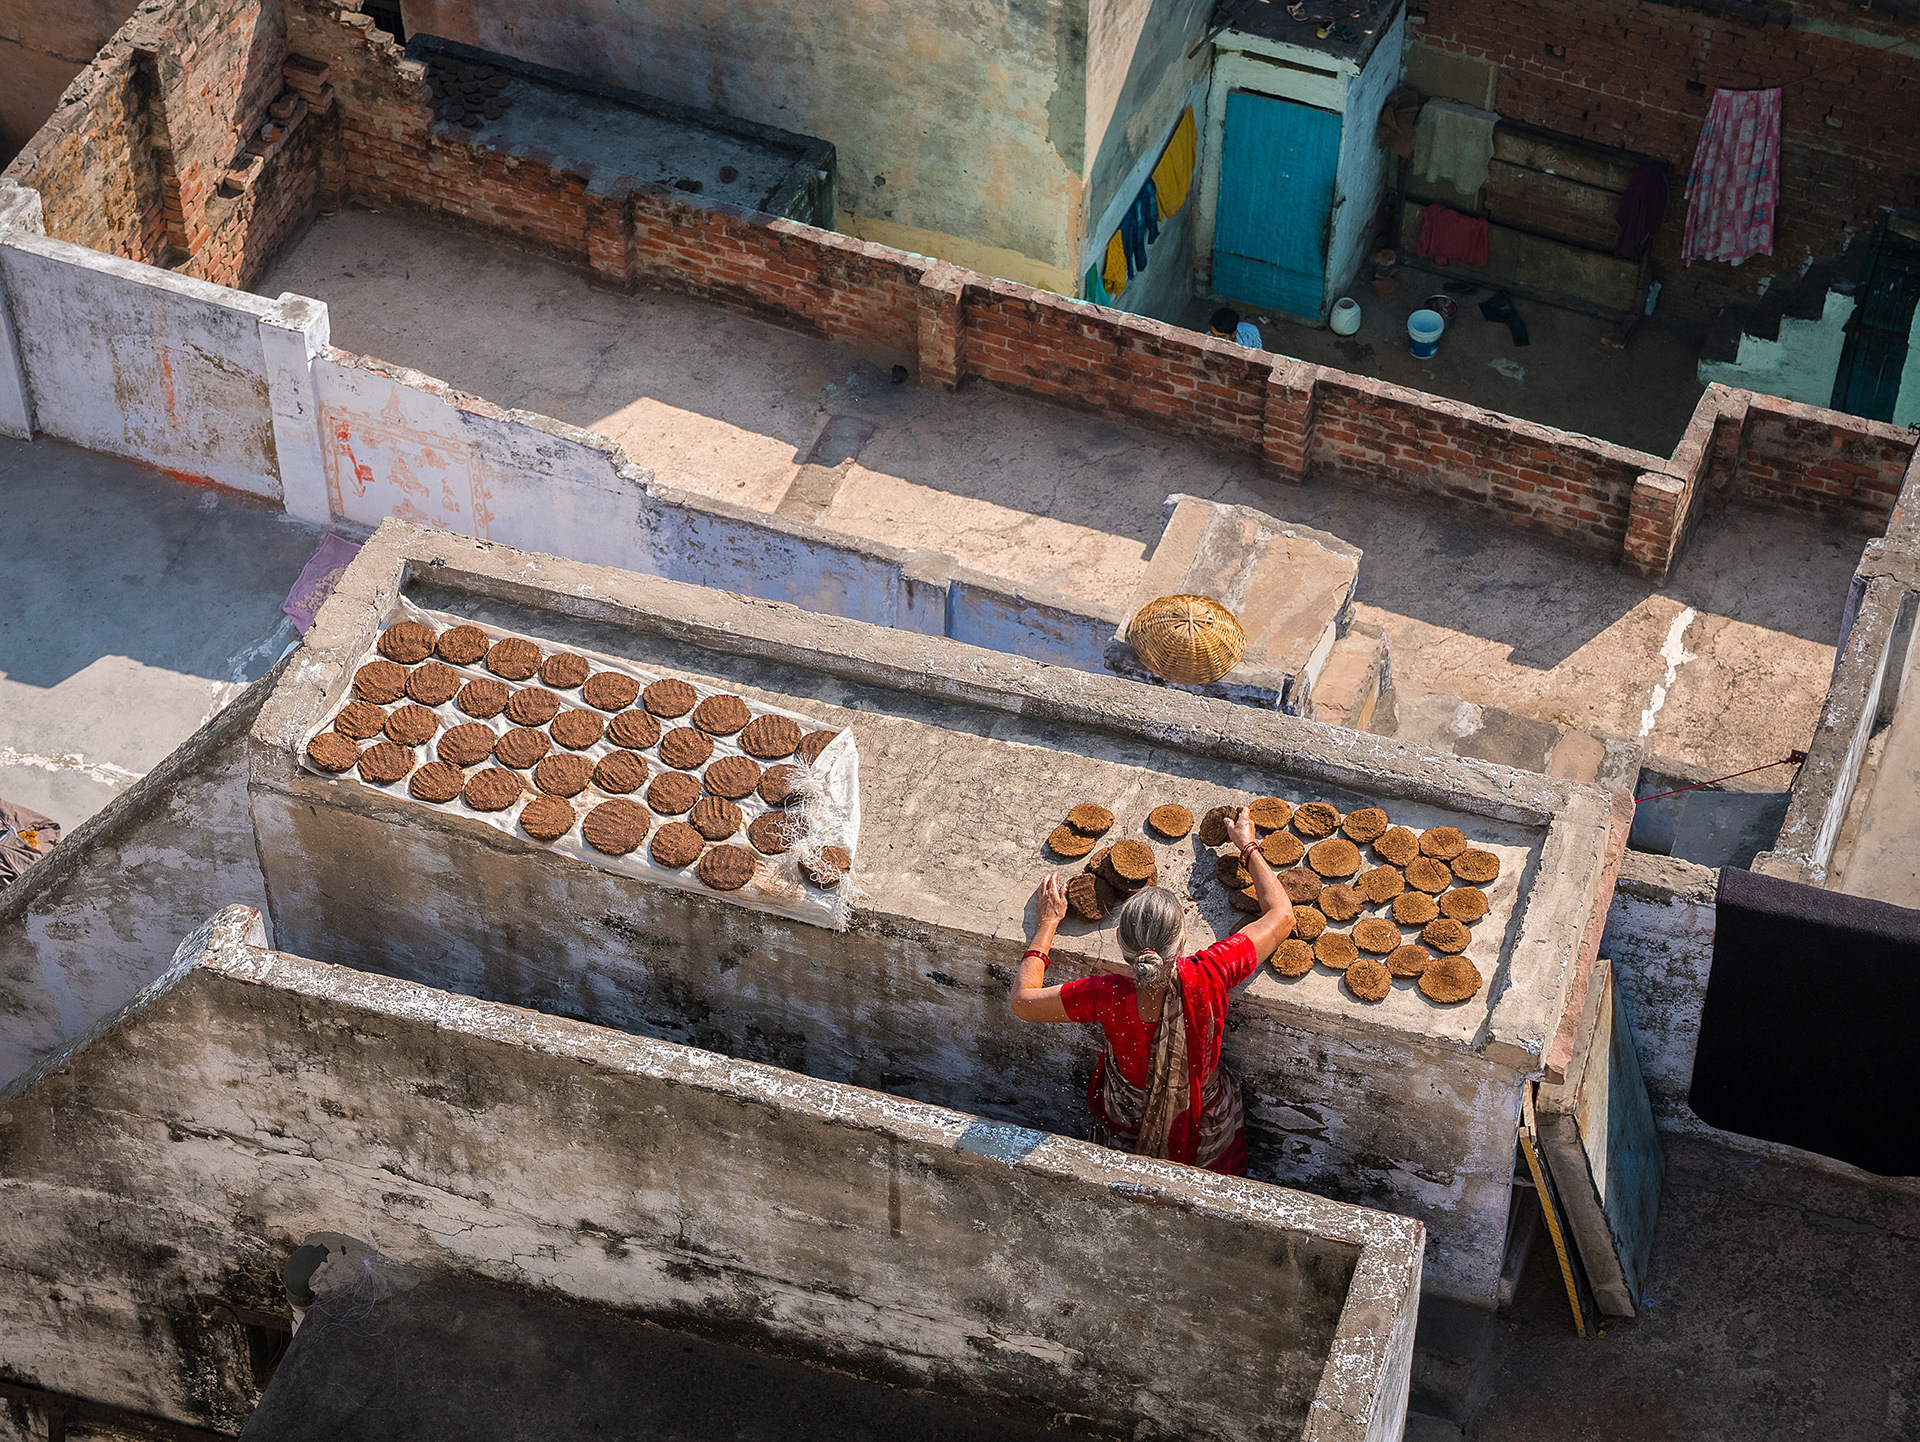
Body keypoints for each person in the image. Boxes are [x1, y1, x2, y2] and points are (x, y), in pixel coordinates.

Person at [1010, 807, 1293, 1174]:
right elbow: (1282, 915)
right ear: (1182, 943)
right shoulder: (1210, 972)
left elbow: (1022, 1002)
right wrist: (1248, 845)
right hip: (1202, 1124)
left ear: (1120, 942)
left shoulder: (1107, 995)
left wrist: (1046, 925)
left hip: (1128, 1121)